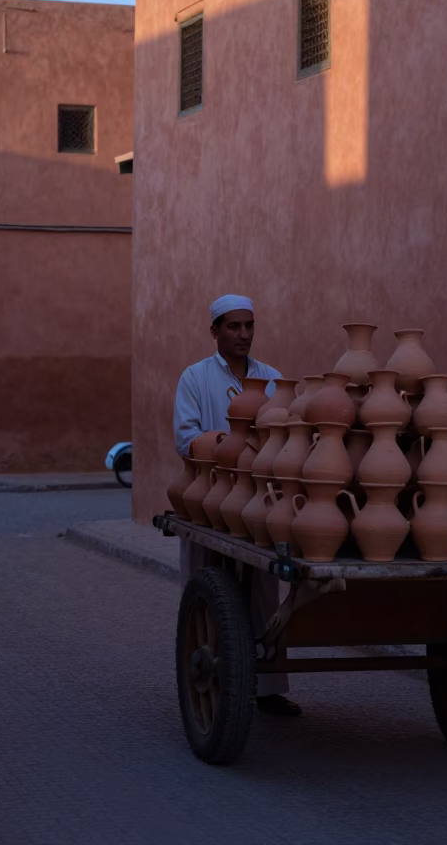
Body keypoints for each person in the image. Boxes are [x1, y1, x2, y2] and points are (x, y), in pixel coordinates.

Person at [173, 293, 301, 717]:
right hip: (210, 498)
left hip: (259, 501)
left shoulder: (272, 379)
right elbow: (185, 436)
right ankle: (211, 682)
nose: (243, 334)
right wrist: (230, 447)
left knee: (265, 588)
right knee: (205, 587)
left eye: (249, 326)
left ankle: (268, 687)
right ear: (215, 331)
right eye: (233, 326)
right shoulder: (195, 378)